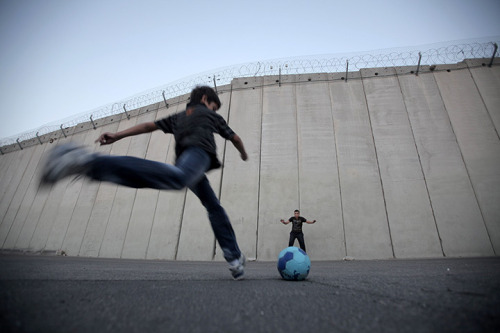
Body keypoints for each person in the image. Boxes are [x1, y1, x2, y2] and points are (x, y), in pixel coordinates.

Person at [40, 85, 248, 280]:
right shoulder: (210, 115)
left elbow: (150, 126)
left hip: (189, 164)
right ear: (205, 99)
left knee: (212, 205)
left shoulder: (180, 116)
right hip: (198, 157)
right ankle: (87, 162)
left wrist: (118, 135)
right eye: (213, 106)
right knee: (178, 179)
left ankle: (234, 256)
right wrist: (243, 154)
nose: (213, 110)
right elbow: (235, 138)